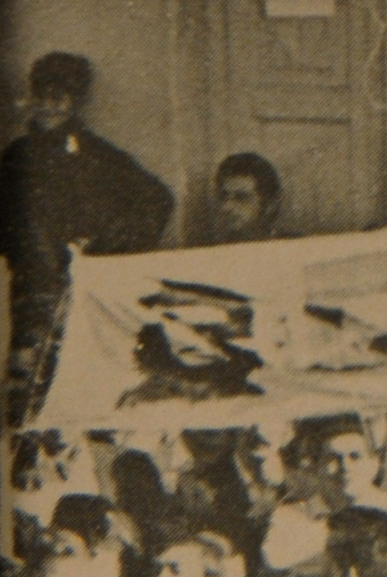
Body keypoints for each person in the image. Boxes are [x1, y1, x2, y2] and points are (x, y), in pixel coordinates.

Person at [2, 50, 175, 421]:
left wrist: (107, 249)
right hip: (31, 292)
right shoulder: (17, 156)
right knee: (26, 383)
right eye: (41, 95)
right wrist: (25, 250)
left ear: (77, 102)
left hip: (86, 291)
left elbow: (157, 199)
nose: (49, 105)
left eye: (59, 96)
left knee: (79, 380)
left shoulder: (98, 156)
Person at [210, 152, 282, 244]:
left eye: (241, 198)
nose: (226, 207)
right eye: (223, 197)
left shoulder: (294, 246)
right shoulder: (212, 250)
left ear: (269, 204)